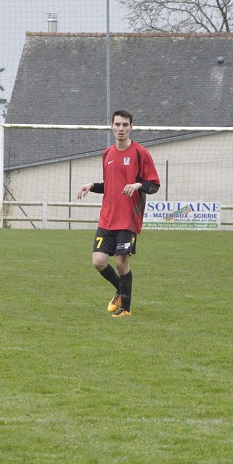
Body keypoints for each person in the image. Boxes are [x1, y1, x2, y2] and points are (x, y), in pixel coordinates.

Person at [75, 110, 159, 317]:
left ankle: (125, 310)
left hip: (128, 218)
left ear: (131, 127)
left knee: (121, 263)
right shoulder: (107, 154)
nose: (121, 128)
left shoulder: (140, 153)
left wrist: (138, 185)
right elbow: (110, 184)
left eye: (125, 125)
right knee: (98, 261)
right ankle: (120, 290)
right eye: (118, 124)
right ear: (112, 126)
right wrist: (92, 185)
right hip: (107, 217)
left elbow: (154, 184)